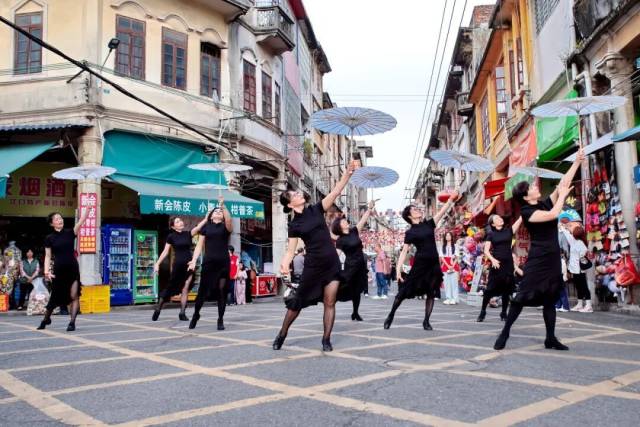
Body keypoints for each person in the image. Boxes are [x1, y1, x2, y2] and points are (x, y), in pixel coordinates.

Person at [494, 148, 584, 350]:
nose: (535, 186)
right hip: (538, 259)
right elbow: (553, 214)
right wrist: (562, 196)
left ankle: (550, 338)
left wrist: (577, 162)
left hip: (552, 258)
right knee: (521, 297)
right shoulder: (527, 212)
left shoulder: (543, 204)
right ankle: (505, 332)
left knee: (550, 298)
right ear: (526, 197)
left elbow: (562, 184)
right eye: (531, 187)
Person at [273, 161, 356, 352]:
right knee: (297, 302)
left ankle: (326, 340)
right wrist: (284, 265)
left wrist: (347, 174)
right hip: (313, 266)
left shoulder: (316, 209)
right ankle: (282, 334)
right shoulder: (294, 225)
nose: (298, 194)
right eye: (294, 195)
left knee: (330, 302)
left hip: (331, 263)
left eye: (297, 192)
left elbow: (335, 192)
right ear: (290, 204)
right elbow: (291, 250)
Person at [385, 191, 460, 331]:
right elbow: (404, 251)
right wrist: (398, 270)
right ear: (409, 216)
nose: (417, 210)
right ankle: (391, 315)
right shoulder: (410, 232)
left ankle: (426, 321)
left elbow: (442, 212)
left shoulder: (429, 224)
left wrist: (450, 199)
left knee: (431, 292)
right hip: (420, 265)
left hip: (434, 264)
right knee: (404, 292)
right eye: (414, 209)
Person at [37, 209, 89, 331]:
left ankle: (72, 323)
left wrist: (87, 211)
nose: (60, 220)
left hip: (73, 269)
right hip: (59, 270)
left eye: (60, 218)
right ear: (52, 223)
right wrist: (46, 272)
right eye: (56, 219)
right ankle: (46, 319)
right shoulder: (49, 238)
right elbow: (48, 256)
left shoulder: (70, 232)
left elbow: (81, 221)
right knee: (55, 297)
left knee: (74, 295)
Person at [187, 196, 233, 330]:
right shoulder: (206, 228)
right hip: (209, 263)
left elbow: (229, 220)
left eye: (220, 211)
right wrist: (194, 260)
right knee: (202, 291)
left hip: (223, 263)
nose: (218, 212)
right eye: (216, 211)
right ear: (211, 216)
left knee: (222, 291)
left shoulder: (226, 227)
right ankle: (196, 314)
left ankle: (220, 319)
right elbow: (199, 245)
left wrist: (223, 205)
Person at [152, 214, 208, 322]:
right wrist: (157, 263)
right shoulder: (171, 237)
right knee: (170, 288)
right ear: (173, 226)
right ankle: (158, 308)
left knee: (185, 287)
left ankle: (182, 313)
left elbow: (197, 228)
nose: (181, 222)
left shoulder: (188, 234)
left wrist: (205, 219)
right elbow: (165, 252)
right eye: (177, 222)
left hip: (189, 265)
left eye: (180, 220)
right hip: (178, 266)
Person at [331, 199, 375, 322]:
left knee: (357, 291)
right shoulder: (340, 240)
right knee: (344, 288)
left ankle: (355, 312)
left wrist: (369, 208)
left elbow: (363, 220)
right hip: (351, 267)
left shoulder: (354, 231)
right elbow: (336, 255)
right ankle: (330, 304)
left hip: (361, 266)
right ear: (339, 226)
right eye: (343, 221)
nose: (346, 221)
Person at [477, 215, 522, 322]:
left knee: (506, 290)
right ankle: (483, 311)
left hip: (508, 264)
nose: (500, 219)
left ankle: (503, 313)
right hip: (496, 264)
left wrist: (525, 211)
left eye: (500, 217)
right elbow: (486, 251)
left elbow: (520, 219)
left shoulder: (509, 231)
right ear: (493, 224)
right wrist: (493, 260)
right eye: (497, 219)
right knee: (489, 290)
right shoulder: (491, 234)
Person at [561, 224, 592, 313]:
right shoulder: (574, 241)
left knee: (583, 287)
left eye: (574, 232)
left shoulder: (581, 243)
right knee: (578, 287)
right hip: (574, 269)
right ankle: (580, 304)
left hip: (579, 269)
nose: (572, 233)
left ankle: (588, 305)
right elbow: (568, 235)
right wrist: (563, 228)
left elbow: (583, 253)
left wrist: (580, 256)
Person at [440, 231, 460, 305]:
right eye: (446, 236)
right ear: (445, 237)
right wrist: (448, 265)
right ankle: (448, 298)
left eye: (449, 235)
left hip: (454, 265)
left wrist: (452, 265)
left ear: (451, 237)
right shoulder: (442, 246)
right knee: (446, 283)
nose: (448, 237)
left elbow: (457, 257)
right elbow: (442, 257)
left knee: (454, 283)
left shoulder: (455, 246)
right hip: (445, 265)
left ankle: (454, 298)